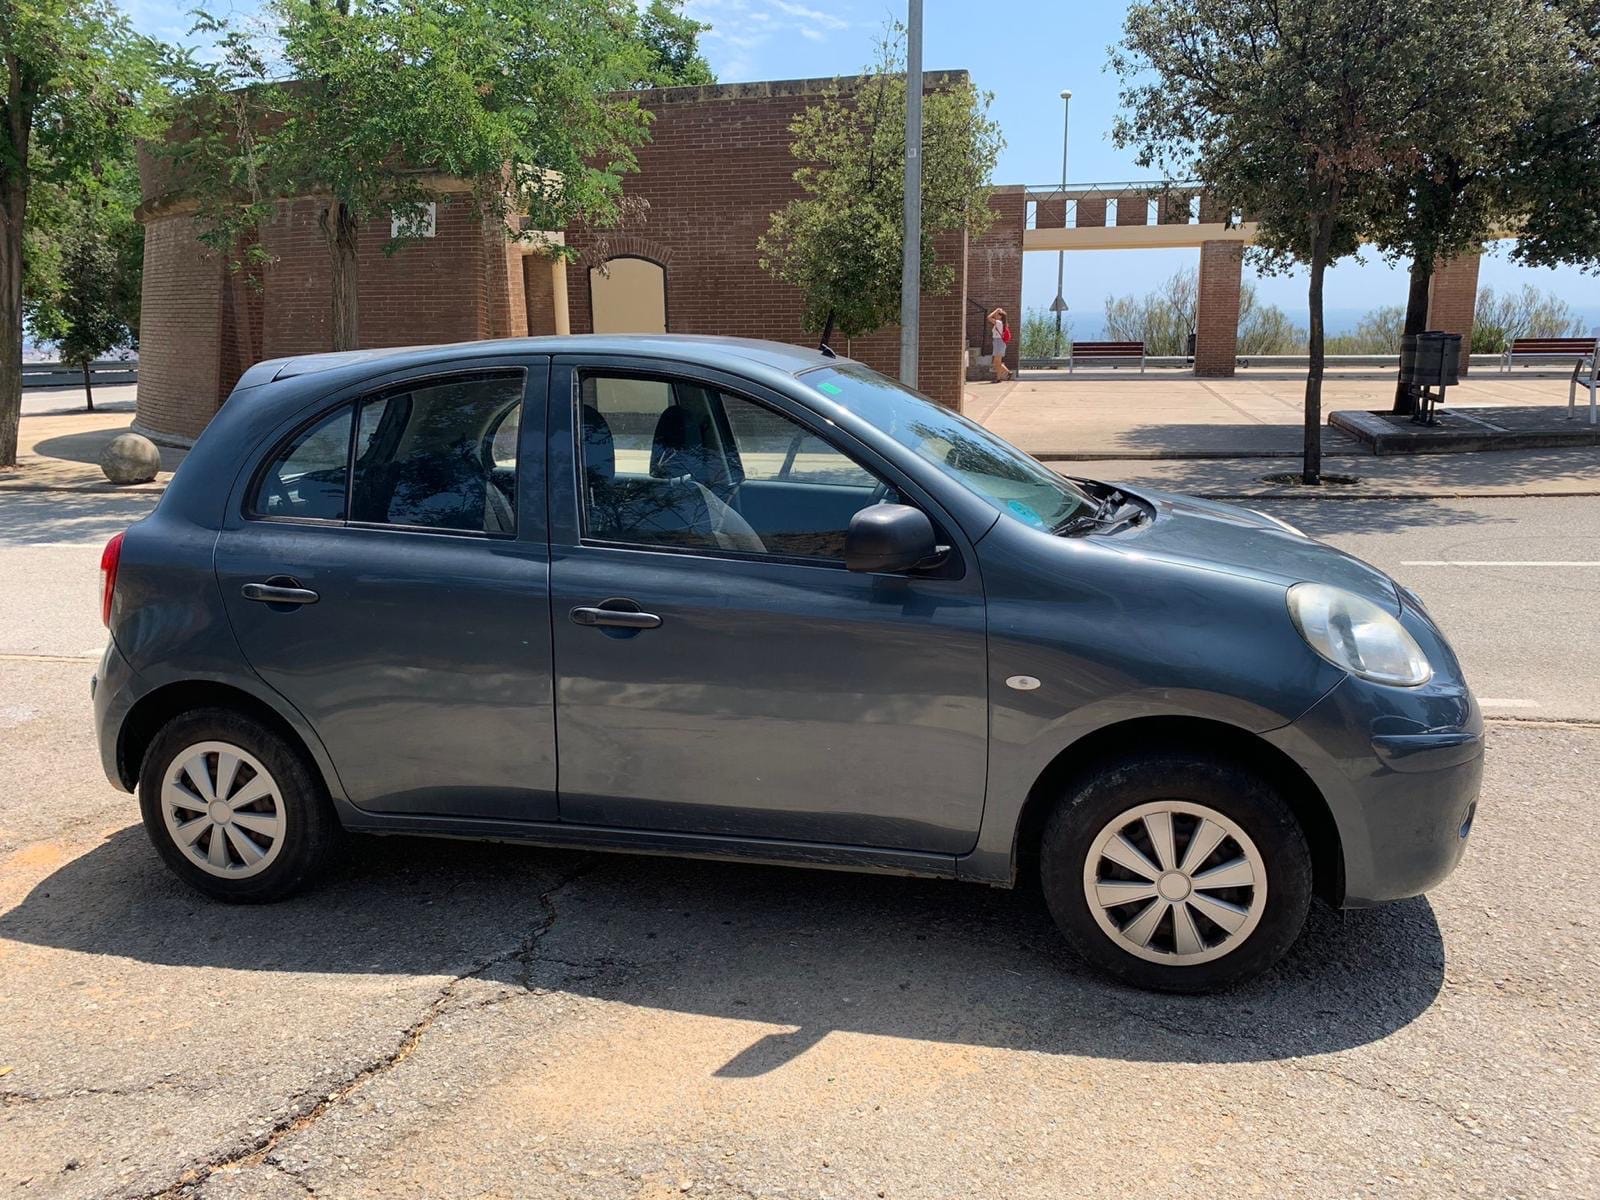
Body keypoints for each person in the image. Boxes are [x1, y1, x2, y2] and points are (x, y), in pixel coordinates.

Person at [988, 308, 1013, 382]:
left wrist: (996, 310)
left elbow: (989, 317)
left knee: (997, 362)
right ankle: (1002, 376)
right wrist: (998, 311)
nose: (995, 315)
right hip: (998, 342)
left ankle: (1004, 375)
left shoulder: (999, 322)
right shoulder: (1002, 323)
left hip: (999, 342)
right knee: (997, 362)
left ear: (1000, 316)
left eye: (997, 314)